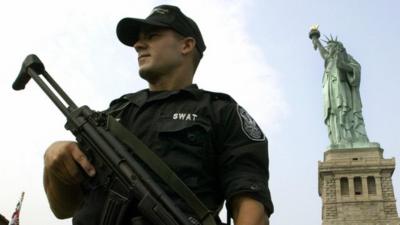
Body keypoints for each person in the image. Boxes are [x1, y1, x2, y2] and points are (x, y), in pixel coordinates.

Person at [43, 5, 273, 225]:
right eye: (139, 39)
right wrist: (53, 160)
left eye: (152, 36)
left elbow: (251, 206)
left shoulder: (221, 112)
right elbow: (62, 208)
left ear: (186, 45)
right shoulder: (113, 115)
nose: (138, 45)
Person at [311, 32, 370, 148]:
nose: (328, 49)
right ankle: (339, 139)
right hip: (330, 90)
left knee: (344, 110)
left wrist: (342, 65)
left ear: (337, 47)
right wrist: (316, 41)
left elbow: (356, 68)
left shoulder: (345, 57)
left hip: (342, 89)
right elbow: (323, 53)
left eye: (330, 47)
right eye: (328, 48)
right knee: (333, 114)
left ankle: (352, 138)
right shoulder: (329, 59)